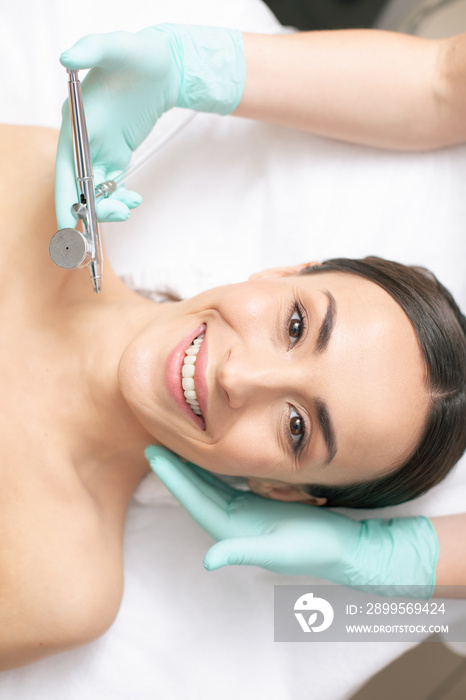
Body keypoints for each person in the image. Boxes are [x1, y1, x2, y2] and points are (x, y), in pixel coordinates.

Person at [1, 24, 464, 673]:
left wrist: (399, 572)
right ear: (279, 275)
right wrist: (193, 63)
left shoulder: (59, 586)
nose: (242, 376)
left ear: (279, 489)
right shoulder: (19, 191)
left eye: (297, 427)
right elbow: (446, 80)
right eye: (297, 326)